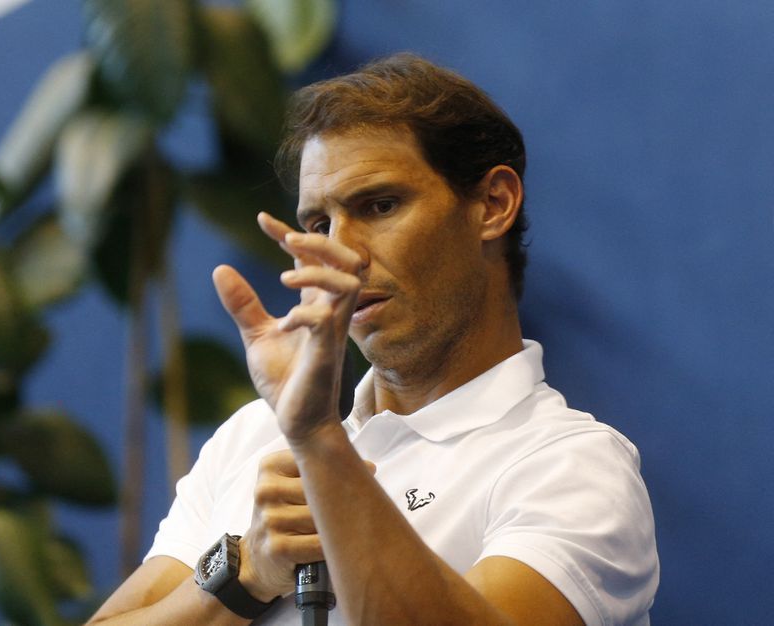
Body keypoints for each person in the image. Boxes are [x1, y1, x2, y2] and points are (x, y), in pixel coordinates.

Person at [89, 53, 659, 625]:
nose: (343, 253)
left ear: (493, 205)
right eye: (320, 225)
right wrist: (244, 576)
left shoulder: (572, 465)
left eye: (380, 206)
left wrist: (319, 444)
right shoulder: (254, 436)